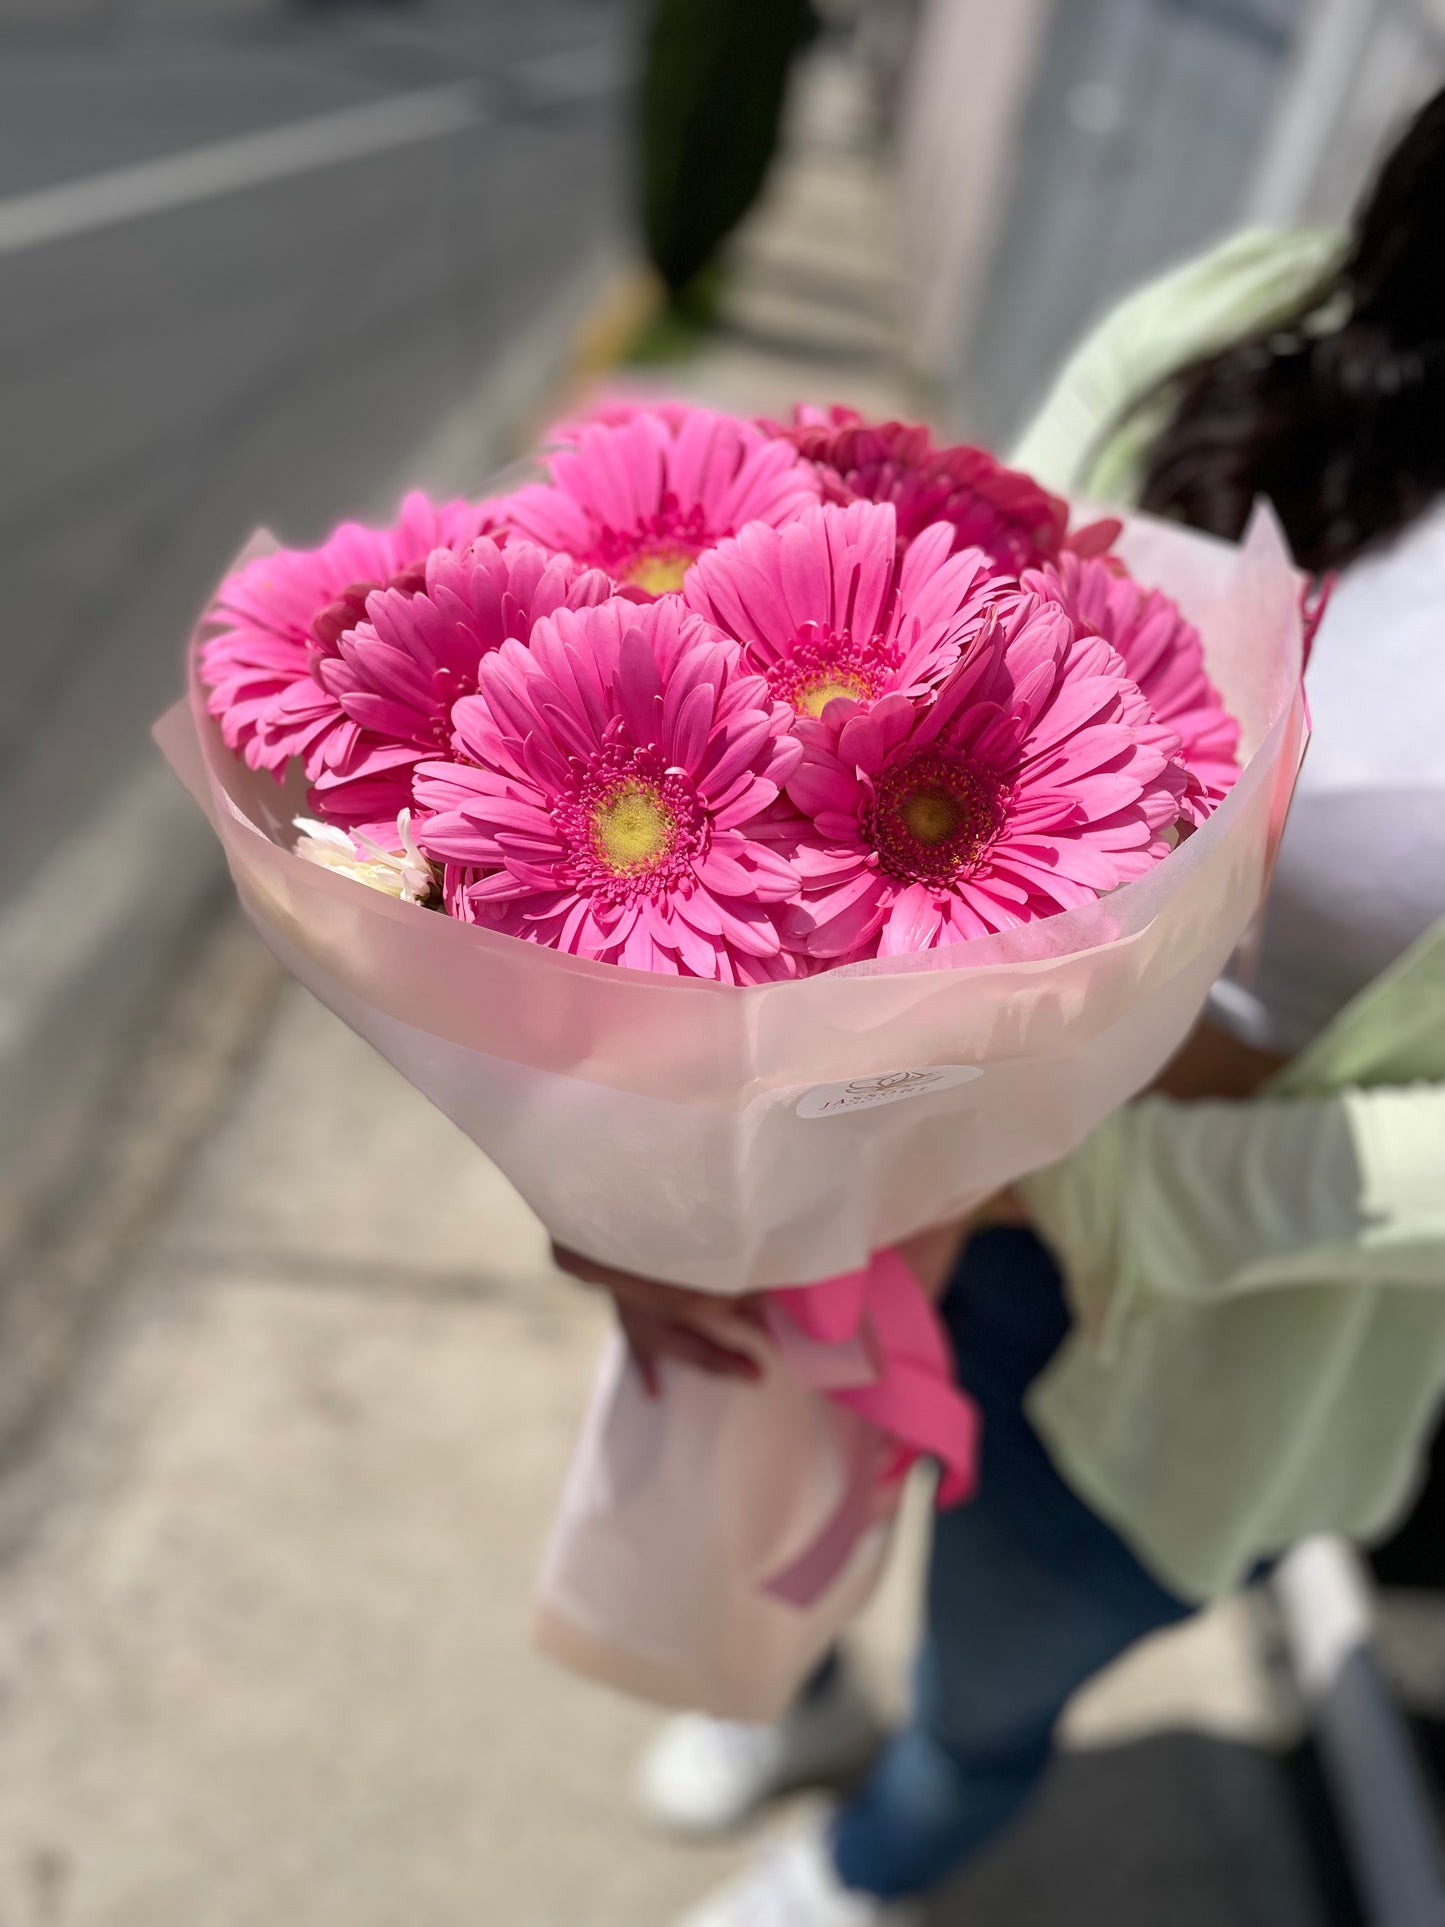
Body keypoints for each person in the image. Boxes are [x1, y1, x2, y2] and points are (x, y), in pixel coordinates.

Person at [555, 85, 1445, 1927]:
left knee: (993, 1681)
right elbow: (933, 632)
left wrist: (1066, 1186)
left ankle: (859, 1869)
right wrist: (669, 1092)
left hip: (1220, 1297)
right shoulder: (1246, 324)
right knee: (750, 1487)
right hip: (897, 1125)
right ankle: (788, 1696)